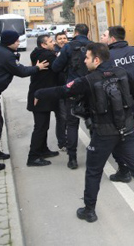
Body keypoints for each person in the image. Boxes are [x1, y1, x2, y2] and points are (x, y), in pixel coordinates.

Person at [34, 42, 134, 223]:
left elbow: (63, 91)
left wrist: (39, 92)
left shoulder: (88, 80)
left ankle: (89, 211)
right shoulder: (123, 73)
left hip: (103, 134)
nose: (84, 61)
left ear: (96, 60)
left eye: (87, 58)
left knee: (94, 171)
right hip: (128, 130)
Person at [0, 30, 49, 173]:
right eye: (17, 41)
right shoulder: (6, 55)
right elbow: (22, 72)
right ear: (10, 42)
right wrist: (37, 67)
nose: (19, 42)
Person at [105, 26, 134, 183]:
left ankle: (124, 169)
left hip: (116, 103)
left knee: (117, 137)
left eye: (105, 36)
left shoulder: (107, 55)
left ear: (112, 39)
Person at [51, 23, 91, 169]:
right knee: (95, 121)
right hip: (91, 88)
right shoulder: (94, 46)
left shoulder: (68, 47)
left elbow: (55, 67)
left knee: (72, 124)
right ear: (88, 33)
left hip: (73, 89)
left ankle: (72, 159)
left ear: (75, 33)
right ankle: (96, 154)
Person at [26, 35, 61, 166]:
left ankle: (43, 149)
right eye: (51, 41)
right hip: (40, 96)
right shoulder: (48, 55)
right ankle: (33, 157)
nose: (54, 43)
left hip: (40, 93)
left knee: (44, 125)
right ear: (43, 45)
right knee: (40, 127)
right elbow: (59, 66)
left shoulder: (36, 52)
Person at [53, 31, 69, 151]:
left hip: (70, 88)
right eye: (60, 39)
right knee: (62, 117)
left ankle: (69, 139)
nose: (62, 40)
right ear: (56, 41)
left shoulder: (70, 51)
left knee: (70, 116)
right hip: (59, 88)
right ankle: (62, 142)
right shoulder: (53, 53)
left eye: (64, 38)